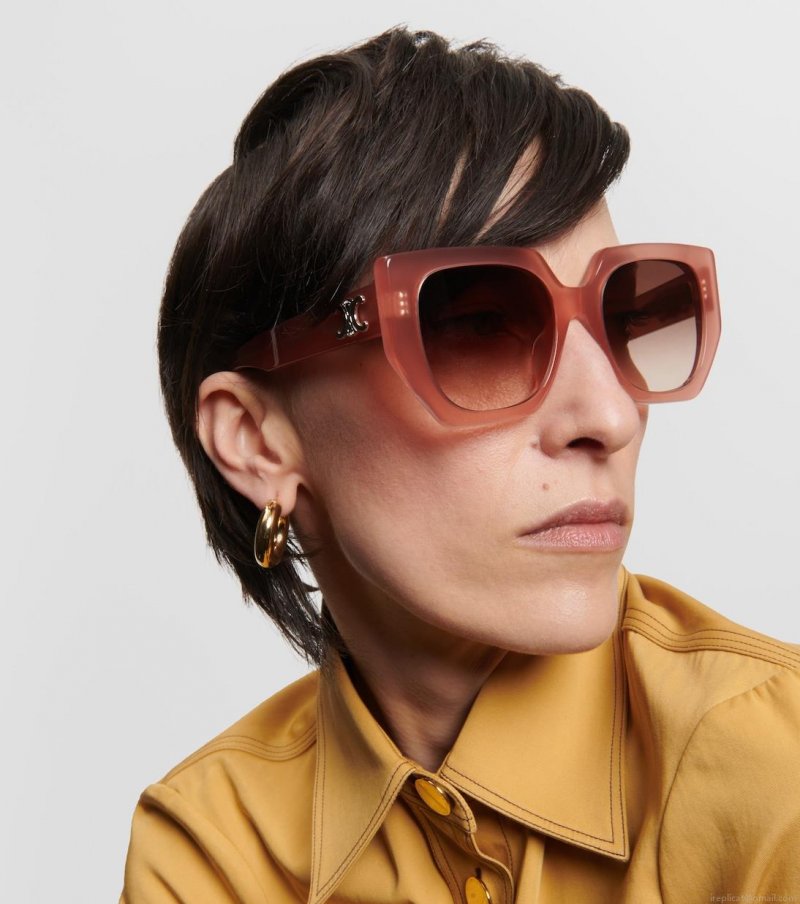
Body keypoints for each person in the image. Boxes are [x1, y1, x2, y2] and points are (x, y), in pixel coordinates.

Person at [119, 25, 800, 904]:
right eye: (478, 327)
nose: (610, 417)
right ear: (256, 441)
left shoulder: (777, 772)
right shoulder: (213, 848)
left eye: (626, 317)